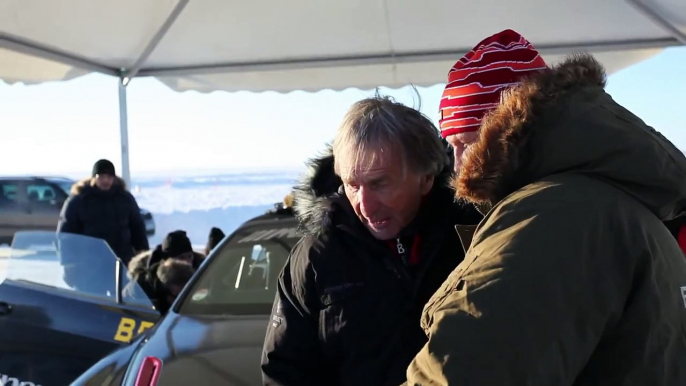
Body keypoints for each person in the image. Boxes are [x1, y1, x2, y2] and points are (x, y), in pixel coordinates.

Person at [405, 29, 686, 385]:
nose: (456, 162)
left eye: (462, 141)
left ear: (498, 131)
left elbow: (469, 369)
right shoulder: (614, 199)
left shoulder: (548, 216)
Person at [260, 96, 482, 386]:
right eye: (352, 185)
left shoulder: (473, 237)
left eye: (379, 184)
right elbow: (285, 371)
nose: (364, 205)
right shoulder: (317, 257)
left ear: (425, 178)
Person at [57, 159, 149, 264]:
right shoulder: (80, 200)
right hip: (89, 263)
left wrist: (143, 255)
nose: (105, 180)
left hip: (121, 262)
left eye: (109, 177)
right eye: (101, 177)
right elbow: (66, 233)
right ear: (94, 178)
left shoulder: (125, 199)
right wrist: (68, 262)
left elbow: (137, 228)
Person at [126, 230, 204, 312]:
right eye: (181, 258)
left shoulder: (203, 272)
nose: (187, 262)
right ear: (167, 261)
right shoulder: (147, 282)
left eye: (189, 256)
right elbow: (127, 304)